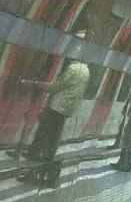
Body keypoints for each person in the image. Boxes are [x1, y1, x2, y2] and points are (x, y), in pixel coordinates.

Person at [27, 27, 90, 161]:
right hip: (67, 108)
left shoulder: (73, 68)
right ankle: (47, 155)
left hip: (57, 106)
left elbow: (57, 87)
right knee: (55, 134)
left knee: (44, 130)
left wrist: (39, 85)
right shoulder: (86, 70)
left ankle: (35, 155)